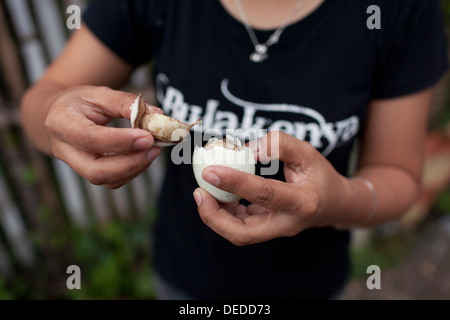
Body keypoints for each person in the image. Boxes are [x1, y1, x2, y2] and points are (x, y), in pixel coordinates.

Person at [21, 0, 448, 299]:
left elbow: (399, 175)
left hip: (311, 284)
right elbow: (42, 102)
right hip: (185, 277)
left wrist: (336, 201)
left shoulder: (398, 9)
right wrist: (56, 118)